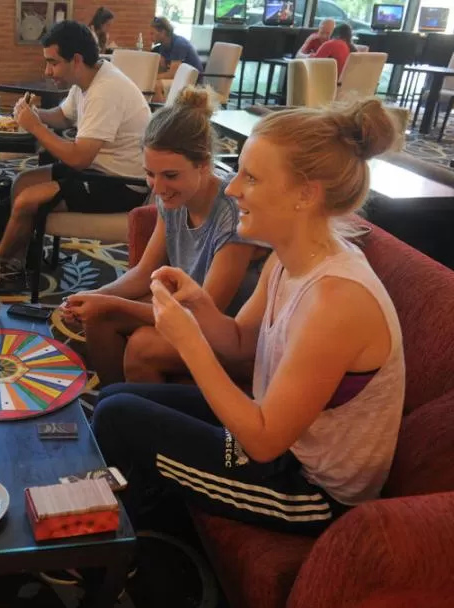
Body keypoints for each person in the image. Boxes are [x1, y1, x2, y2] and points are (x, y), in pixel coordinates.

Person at [94, 99, 403, 539]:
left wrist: (188, 342)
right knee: (114, 399)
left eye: (251, 177)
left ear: (306, 193)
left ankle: (130, 543)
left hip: (309, 489)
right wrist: (198, 302)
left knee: (118, 417)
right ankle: (145, 502)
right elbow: (239, 341)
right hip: (276, 435)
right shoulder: (287, 260)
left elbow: (262, 441)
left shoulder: (338, 299)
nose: (233, 188)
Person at [62, 86, 265, 386]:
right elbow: (144, 272)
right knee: (99, 317)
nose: (157, 188)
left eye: (170, 175)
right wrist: (94, 297)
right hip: (192, 311)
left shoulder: (232, 213)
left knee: (143, 346)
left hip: (233, 333)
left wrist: (111, 303)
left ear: (204, 164)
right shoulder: (171, 198)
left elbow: (207, 311)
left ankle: (146, 422)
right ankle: (115, 408)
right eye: (150, 174)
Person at [0, 20, 151, 286]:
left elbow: (79, 157)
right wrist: (34, 115)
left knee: (27, 200)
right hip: (98, 170)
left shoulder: (106, 91)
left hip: (121, 184)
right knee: (22, 182)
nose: (47, 71)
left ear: (76, 59)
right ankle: (18, 262)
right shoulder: (90, 77)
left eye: (53, 62)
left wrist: (35, 127)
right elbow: (63, 117)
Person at [151, 16, 203, 102]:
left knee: (156, 85)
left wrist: (152, 77)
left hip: (193, 82)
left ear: (163, 32)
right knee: (152, 83)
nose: (150, 36)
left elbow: (172, 74)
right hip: (179, 78)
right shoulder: (163, 46)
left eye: (152, 33)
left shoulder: (179, 44)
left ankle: (164, 113)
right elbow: (164, 71)